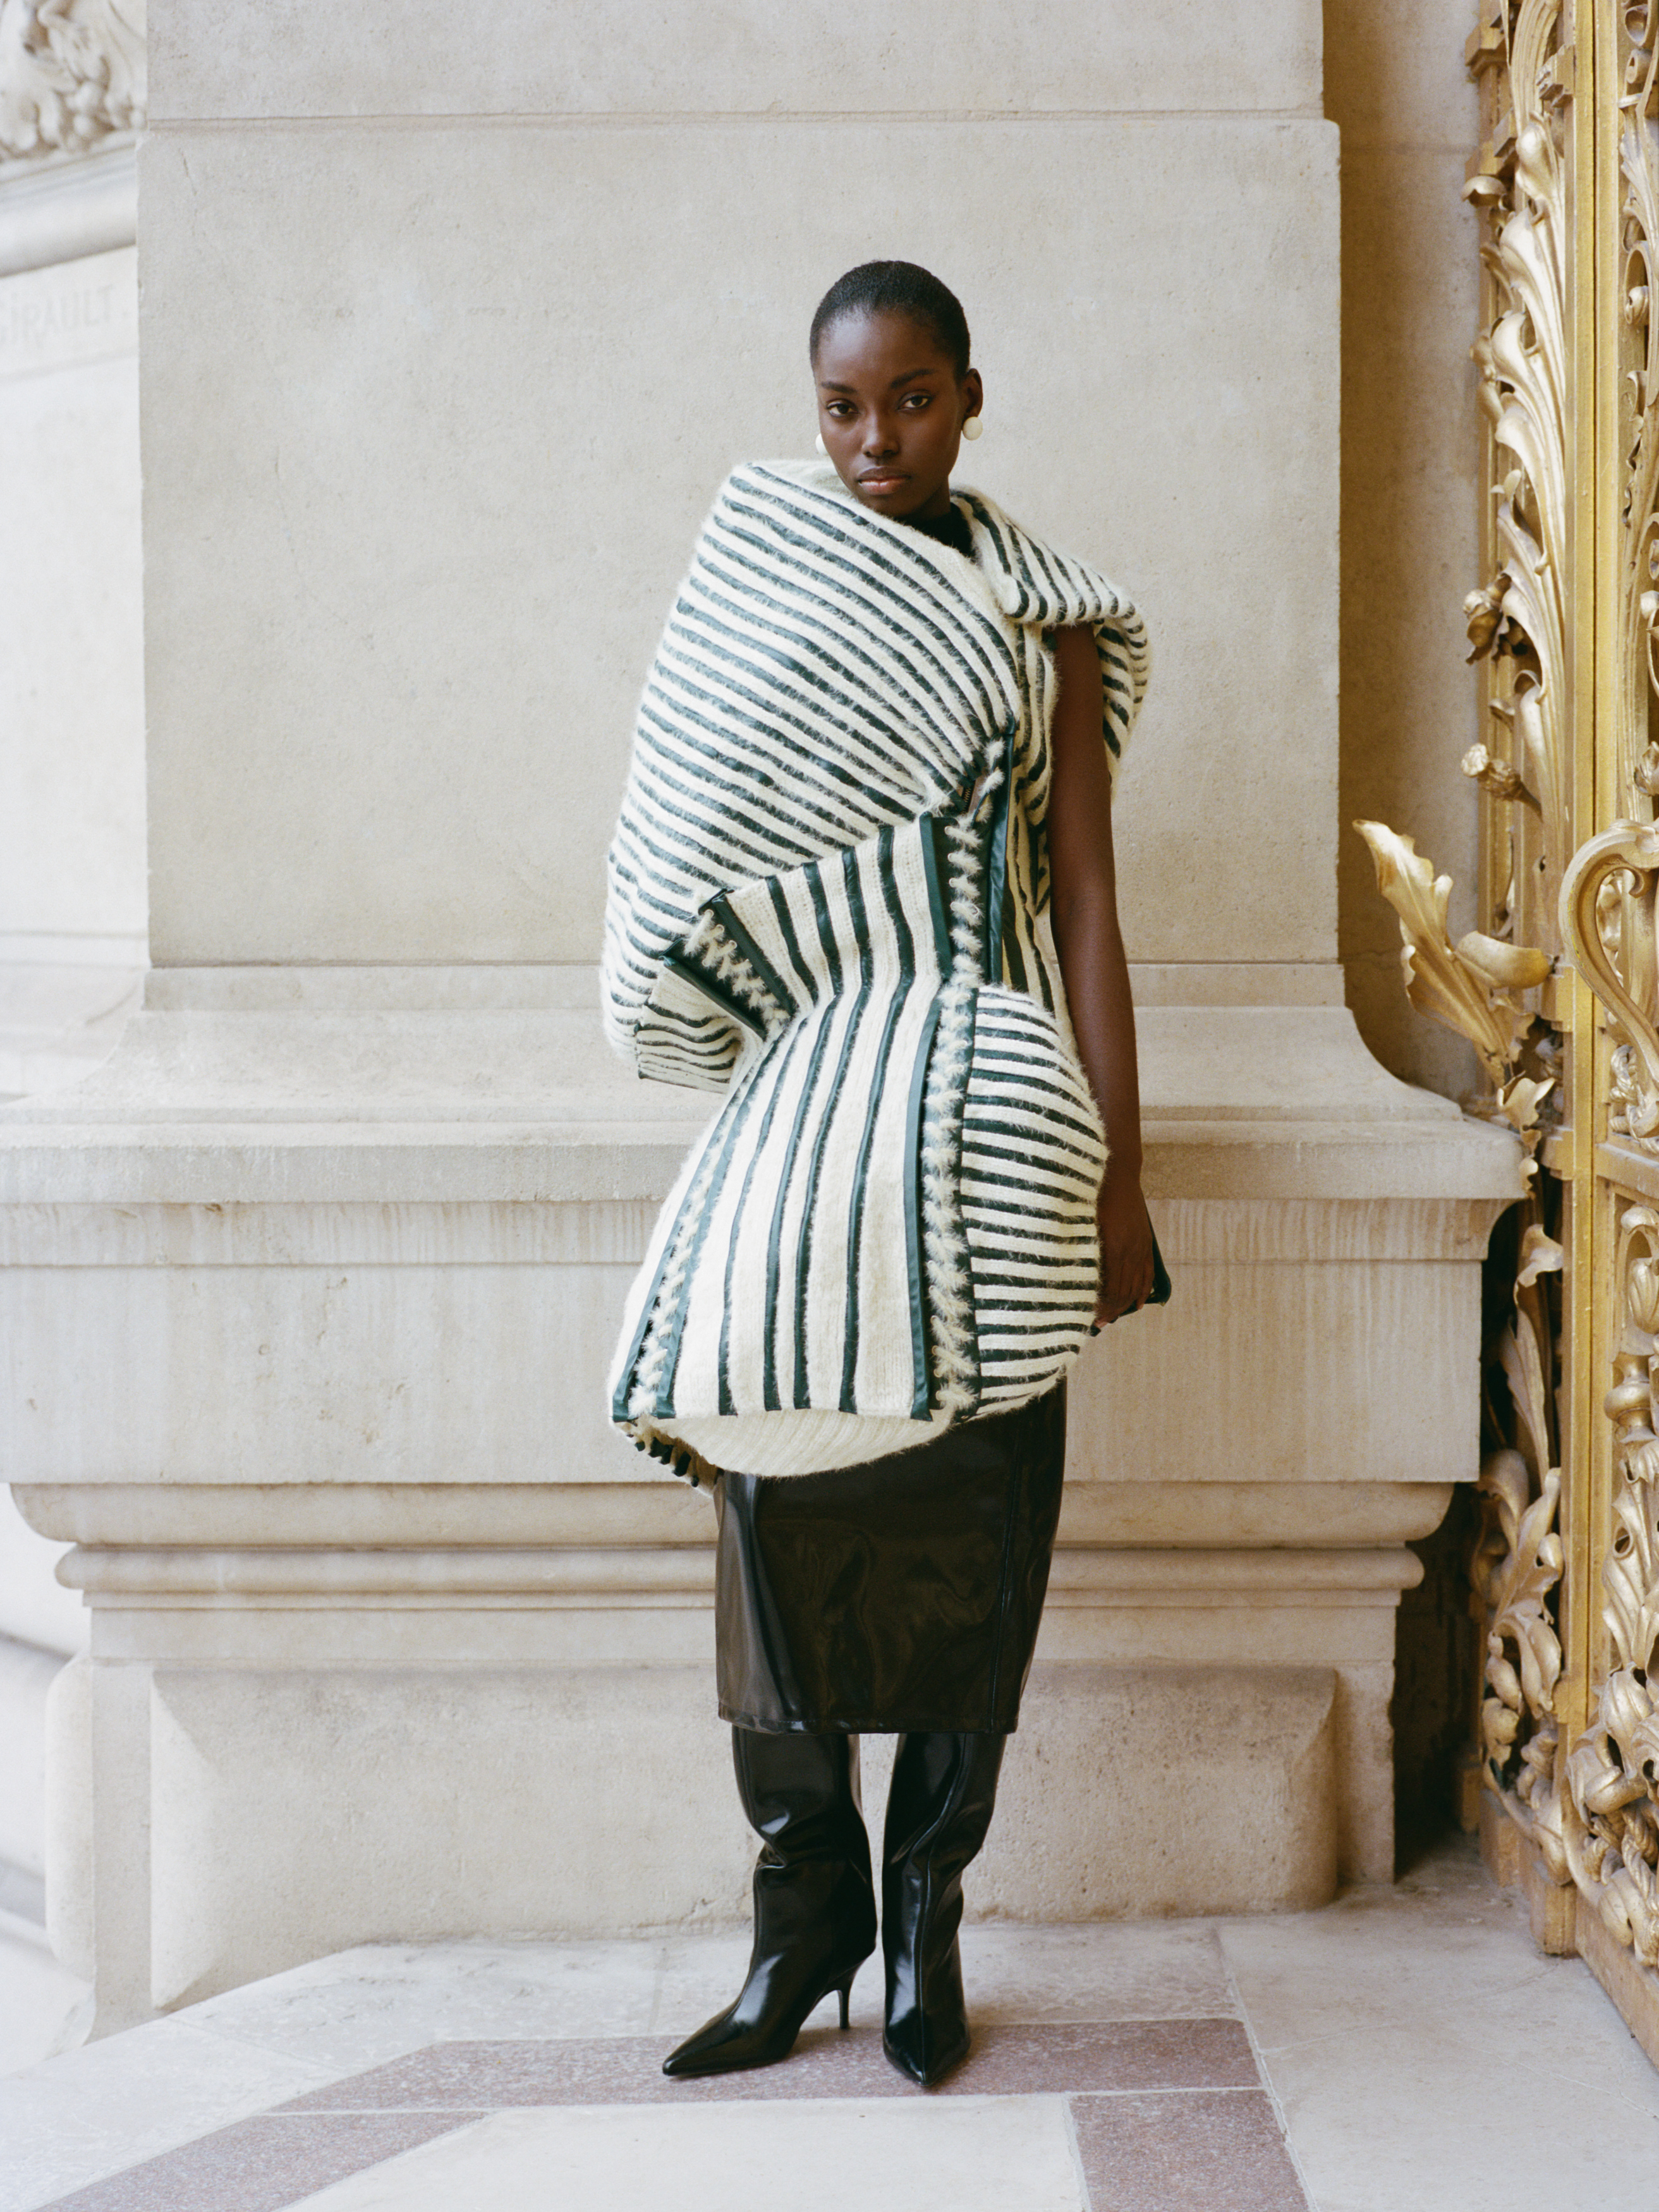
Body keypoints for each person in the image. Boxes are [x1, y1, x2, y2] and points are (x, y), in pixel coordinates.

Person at [600, 261, 1156, 2087]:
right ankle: (801, 1913)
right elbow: (685, 829)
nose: (871, 441)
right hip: (803, 1094)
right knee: (762, 1481)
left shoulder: (1039, 621)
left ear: (968, 397)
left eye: (908, 400)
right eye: (840, 407)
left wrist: (1117, 1176)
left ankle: (923, 1919)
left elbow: (1078, 895)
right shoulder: (777, 596)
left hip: (981, 1091)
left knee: (983, 1510)